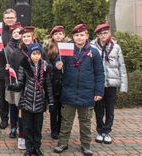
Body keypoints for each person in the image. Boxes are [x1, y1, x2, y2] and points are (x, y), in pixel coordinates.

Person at [53, 24, 105, 156]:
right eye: (76, 35)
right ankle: (62, 143)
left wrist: (99, 92)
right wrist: (57, 66)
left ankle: (86, 145)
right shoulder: (66, 49)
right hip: (69, 91)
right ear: (73, 37)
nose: (79, 37)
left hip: (87, 92)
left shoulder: (94, 52)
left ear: (87, 36)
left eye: (82, 35)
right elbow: (58, 66)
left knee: (86, 122)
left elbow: (99, 73)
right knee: (66, 120)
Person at [13, 43, 54, 156]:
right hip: (27, 102)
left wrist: (51, 102)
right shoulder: (24, 66)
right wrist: (14, 86)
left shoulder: (45, 67)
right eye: (34, 54)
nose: (36, 56)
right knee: (27, 128)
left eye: (38, 54)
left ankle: (37, 147)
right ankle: (29, 148)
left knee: (37, 128)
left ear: (41, 54)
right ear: (29, 54)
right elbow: (20, 83)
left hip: (40, 103)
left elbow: (48, 86)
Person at [91, 24, 128, 144]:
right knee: (99, 110)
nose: (103, 35)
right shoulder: (92, 46)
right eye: (101, 33)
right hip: (98, 84)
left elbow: (121, 67)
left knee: (110, 109)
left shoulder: (116, 47)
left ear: (109, 33)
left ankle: (107, 131)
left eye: (105, 33)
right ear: (97, 34)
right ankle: (100, 131)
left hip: (111, 83)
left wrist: (123, 86)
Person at [0, 8, 18, 129]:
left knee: (17, 96)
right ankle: (4, 119)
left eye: (11, 18)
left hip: (17, 70)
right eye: (7, 18)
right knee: (3, 95)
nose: (9, 20)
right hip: (2, 70)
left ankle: (16, 121)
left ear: (15, 19)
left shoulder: (20, 31)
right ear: (3, 19)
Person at [15, 25, 39, 150]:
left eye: (28, 36)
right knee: (22, 113)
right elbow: (14, 67)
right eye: (23, 36)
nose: (26, 38)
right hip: (22, 88)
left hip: (35, 88)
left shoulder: (39, 50)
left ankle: (34, 139)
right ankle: (22, 137)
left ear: (33, 37)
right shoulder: (18, 51)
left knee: (34, 114)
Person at [43, 25, 67, 139]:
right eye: (56, 34)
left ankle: (61, 128)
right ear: (52, 36)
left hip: (65, 82)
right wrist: (54, 67)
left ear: (64, 35)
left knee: (63, 108)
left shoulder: (68, 47)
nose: (58, 36)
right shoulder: (48, 48)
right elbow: (46, 65)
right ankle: (54, 130)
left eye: (60, 33)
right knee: (53, 108)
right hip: (53, 83)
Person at [3, 22, 23, 139]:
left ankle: (21, 127)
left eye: (18, 32)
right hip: (11, 81)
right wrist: (6, 68)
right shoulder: (7, 48)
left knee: (20, 105)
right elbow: (2, 66)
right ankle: (13, 127)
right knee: (12, 106)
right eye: (14, 32)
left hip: (21, 82)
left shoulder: (25, 46)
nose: (16, 34)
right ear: (11, 35)